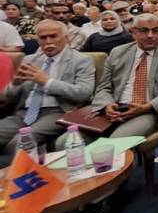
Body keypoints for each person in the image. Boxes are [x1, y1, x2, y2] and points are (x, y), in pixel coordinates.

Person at [87, 13, 158, 213]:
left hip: (148, 110)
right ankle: (87, 189)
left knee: (115, 143)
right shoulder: (118, 52)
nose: (150, 35)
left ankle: (110, 197)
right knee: (68, 141)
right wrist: (107, 105)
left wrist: (146, 107)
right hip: (115, 107)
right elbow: (104, 87)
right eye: (144, 30)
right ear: (132, 32)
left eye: (156, 30)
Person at [0, 20, 94, 153]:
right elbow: (6, 98)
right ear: (38, 41)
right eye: (43, 38)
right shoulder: (30, 60)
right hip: (24, 113)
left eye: (53, 36)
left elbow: (83, 93)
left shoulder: (81, 60)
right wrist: (15, 83)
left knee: (21, 141)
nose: (48, 41)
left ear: (66, 38)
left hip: (56, 111)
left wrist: (47, 82)